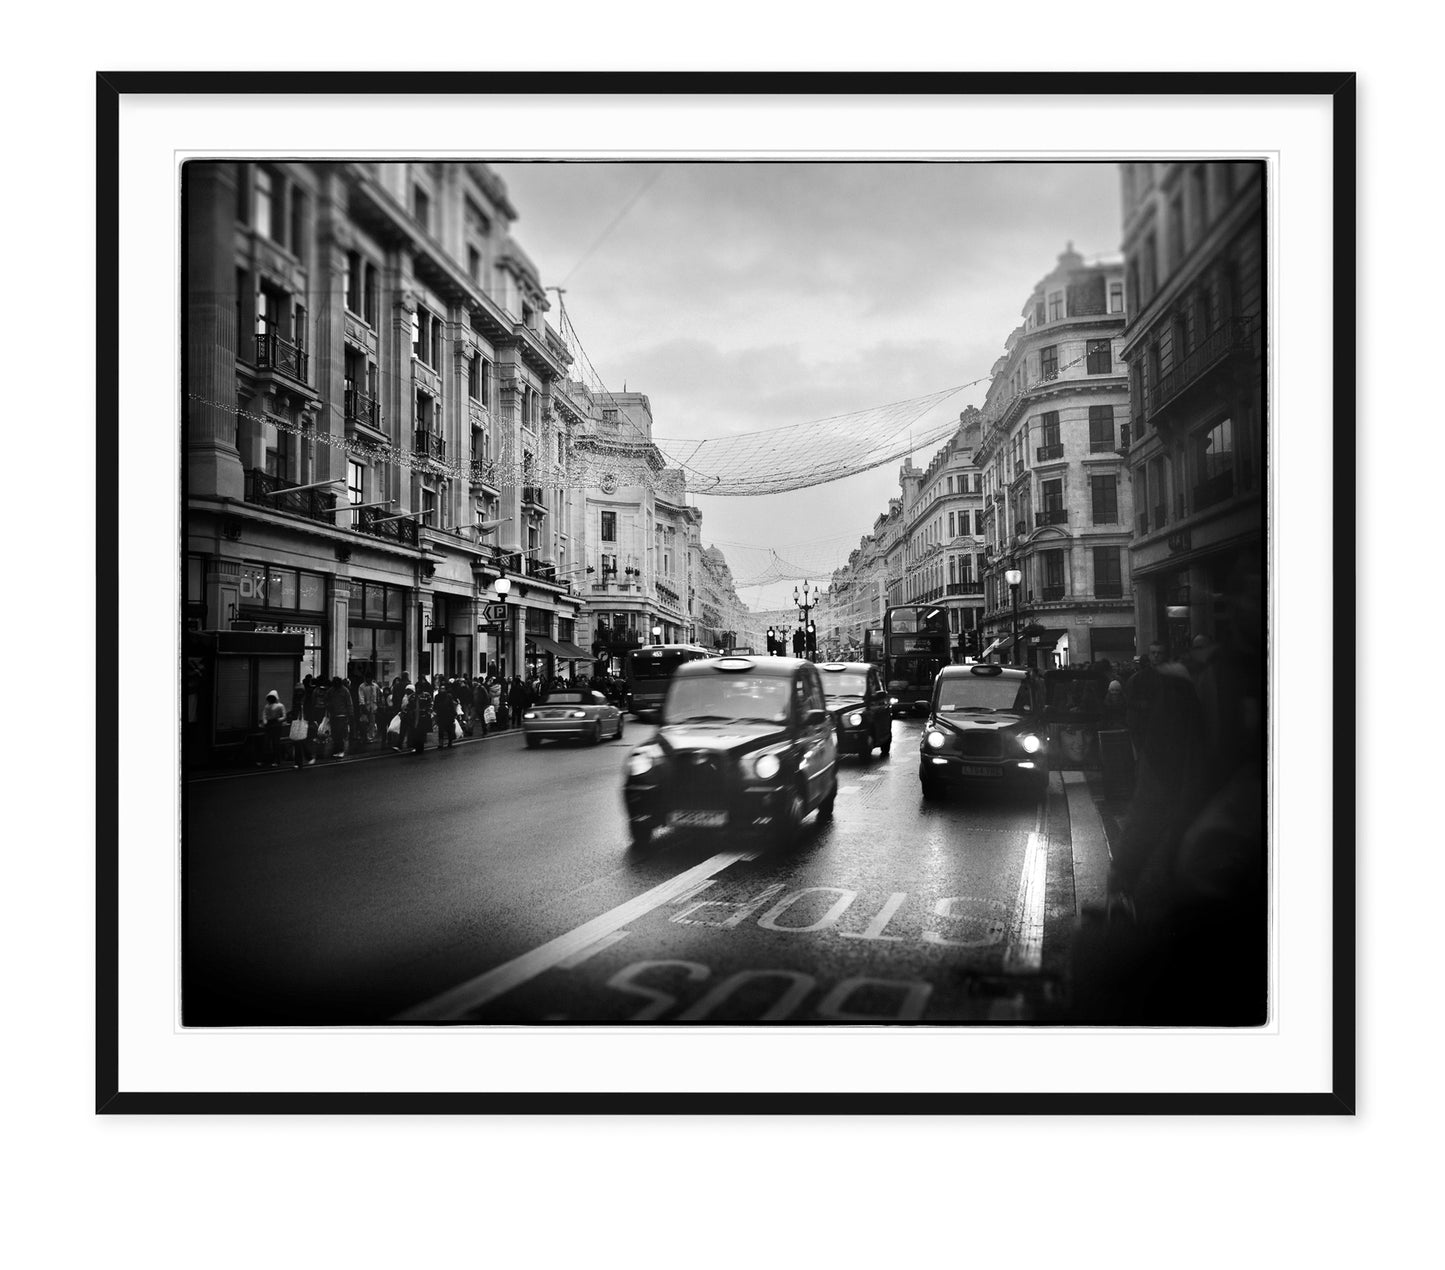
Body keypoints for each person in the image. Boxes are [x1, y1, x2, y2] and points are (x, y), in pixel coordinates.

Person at [325, 675, 352, 758]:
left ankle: (339, 750)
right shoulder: (344, 690)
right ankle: (338, 750)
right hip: (340, 715)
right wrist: (350, 714)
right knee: (336, 734)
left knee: (337, 734)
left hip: (338, 715)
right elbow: (349, 703)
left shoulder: (332, 691)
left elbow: (327, 701)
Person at [258, 690, 287, 766]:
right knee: (267, 743)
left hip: (275, 725)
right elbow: (264, 714)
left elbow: (284, 716)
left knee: (275, 743)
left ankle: (276, 761)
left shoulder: (280, 706)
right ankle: (266, 760)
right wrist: (265, 721)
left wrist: (278, 720)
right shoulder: (268, 706)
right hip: (271, 724)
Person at [434, 679, 458, 750]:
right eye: (441, 688)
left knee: (449, 730)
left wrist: (454, 714)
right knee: (441, 730)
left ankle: (450, 742)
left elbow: (451, 705)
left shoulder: (449, 696)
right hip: (441, 715)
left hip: (448, 715)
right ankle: (440, 743)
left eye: (443, 689)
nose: (442, 690)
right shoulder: (437, 697)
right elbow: (435, 706)